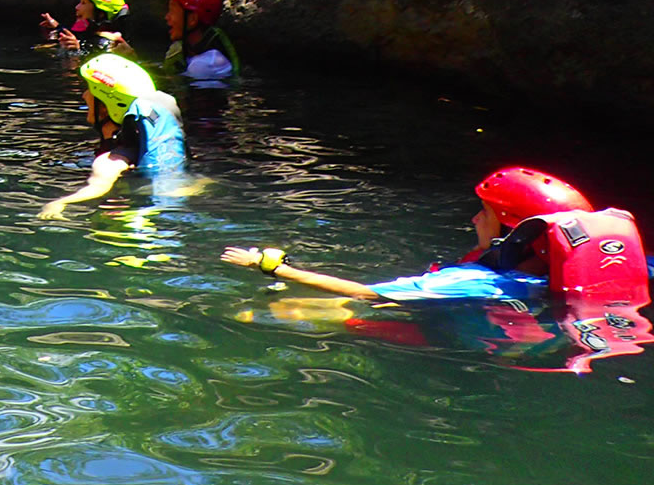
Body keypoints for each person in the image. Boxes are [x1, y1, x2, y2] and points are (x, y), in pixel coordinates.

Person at [221, 166, 649, 307]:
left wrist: (273, 267)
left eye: (483, 213)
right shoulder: (628, 266)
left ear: (510, 232)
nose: (473, 219)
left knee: (300, 313)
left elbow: (371, 294)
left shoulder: (475, 281)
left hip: (477, 338)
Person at [39, 53, 186, 219]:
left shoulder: (110, 161)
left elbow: (98, 187)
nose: (84, 95)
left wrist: (59, 203)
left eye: (88, 89)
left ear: (105, 106)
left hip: (135, 209)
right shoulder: (151, 147)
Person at [165, 0, 239, 85]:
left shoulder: (206, 64)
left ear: (192, 19)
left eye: (172, 11)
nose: (167, 17)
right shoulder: (186, 50)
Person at [39, 0, 129, 56]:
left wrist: (76, 51)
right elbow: (79, 38)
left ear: (100, 13)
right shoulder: (92, 35)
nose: (77, 7)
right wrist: (57, 27)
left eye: (83, 3)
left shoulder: (112, 42)